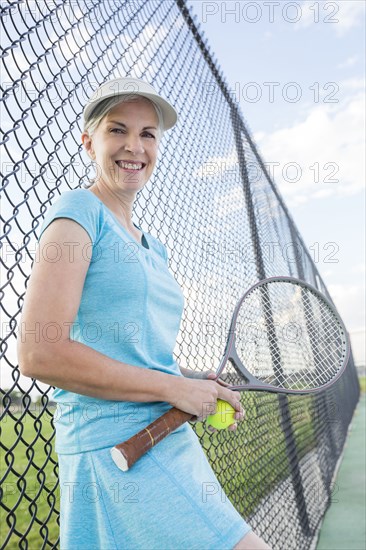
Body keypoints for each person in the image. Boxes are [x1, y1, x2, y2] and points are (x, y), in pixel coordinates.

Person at [18, 77, 271, 549]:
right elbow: (39, 353)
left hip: (163, 439)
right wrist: (175, 388)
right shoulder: (78, 212)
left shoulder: (155, 249)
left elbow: (142, 357)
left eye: (147, 133)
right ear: (88, 140)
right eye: (118, 130)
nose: (134, 146)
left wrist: (196, 382)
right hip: (117, 450)